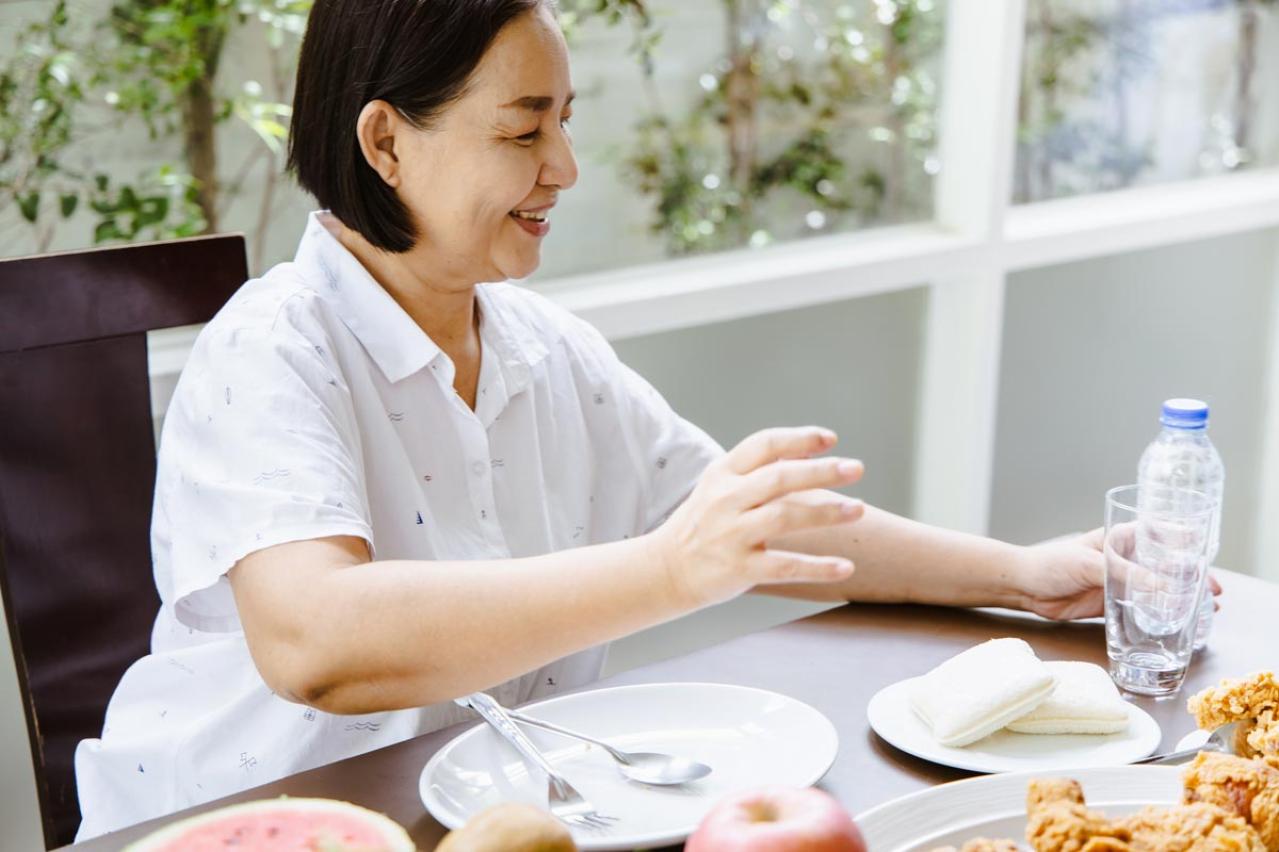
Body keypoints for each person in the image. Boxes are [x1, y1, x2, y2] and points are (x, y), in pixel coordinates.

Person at [73, 0, 1114, 838]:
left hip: (495, 816)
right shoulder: (273, 350)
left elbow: (742, 528)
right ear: (386, 141)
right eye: (523, 128)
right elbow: (316, 642)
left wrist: (1024, 576)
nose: (564, 166)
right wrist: (668, 570)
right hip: (242, 823)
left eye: (565, 121)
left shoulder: (541, 347)